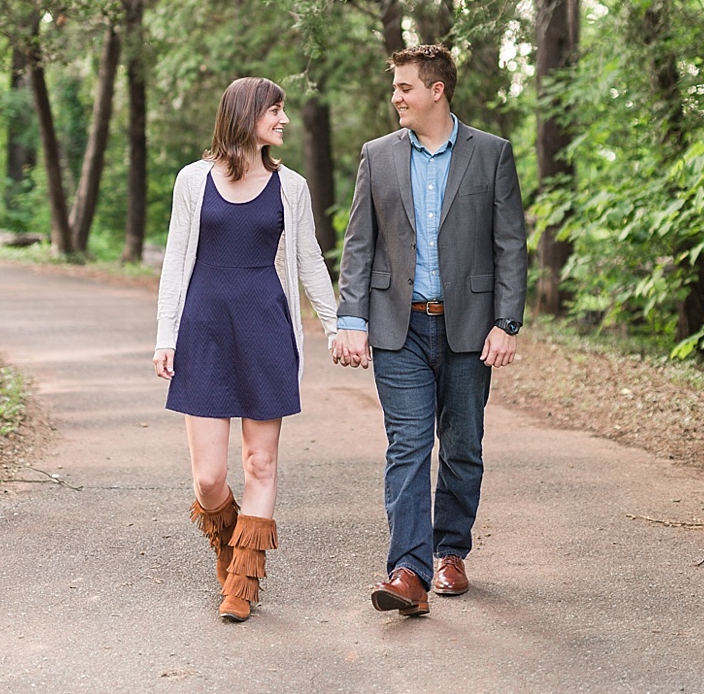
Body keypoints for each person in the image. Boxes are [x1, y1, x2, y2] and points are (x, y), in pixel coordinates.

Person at [332, 43, 528, 615]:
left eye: (404, 88)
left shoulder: (491, 154)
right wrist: (352, 319)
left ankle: (451, 552)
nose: (395, 97)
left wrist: (506, 323)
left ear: (435, 90)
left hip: (469, 329)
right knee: (410, 445)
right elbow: (359, 242)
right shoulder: (378, 155)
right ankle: (408, 571)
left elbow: (510, 244)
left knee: (463, 446)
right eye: (395, 88)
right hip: (400, 328)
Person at [153, 76, 339, 622]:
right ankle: (230, 544)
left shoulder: (292, 187)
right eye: (275, 111)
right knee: (208, 478)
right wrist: (166, 335)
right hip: (204, 327)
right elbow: (173, 262)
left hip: (264, 326)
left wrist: (333, 325)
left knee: (261, 461)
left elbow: (309, 261)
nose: (284, 121)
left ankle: (243, 581)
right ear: (247, 114)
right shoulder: (193, 180)